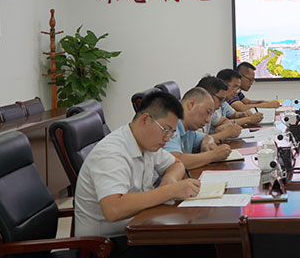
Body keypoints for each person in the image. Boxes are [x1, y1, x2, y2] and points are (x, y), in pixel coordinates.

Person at [74, 89, 201, 250]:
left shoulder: (147, 144)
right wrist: (170, 191)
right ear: (145, 119)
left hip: (137, 228)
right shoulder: (111, 153)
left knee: (196, 238)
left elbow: (176, 164)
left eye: (172, 133)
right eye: (166, 130)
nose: (167, 139)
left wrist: (170, 180)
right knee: (195, 245)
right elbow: (113, 209)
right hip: (105, 245)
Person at [162, 87, 236, 169]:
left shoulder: (189, 129)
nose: (208, 120)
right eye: (207, 112)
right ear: (191, 104)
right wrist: (213, 155)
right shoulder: (170, 125)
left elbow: (206, 137)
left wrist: (207, 143)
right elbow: (175, 161)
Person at [196, 75, 262, 131]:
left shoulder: (215, 107)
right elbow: (202, 139)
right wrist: (248, 119)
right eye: (235, 87)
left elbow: (230, 117)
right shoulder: (200, 113)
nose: (236, 92)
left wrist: (243, 114)